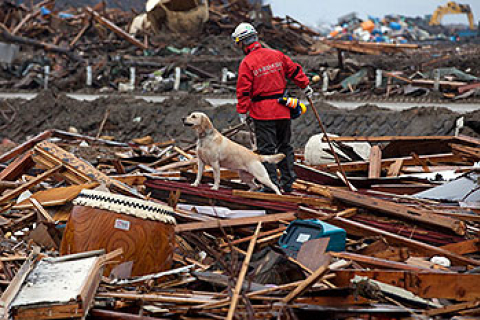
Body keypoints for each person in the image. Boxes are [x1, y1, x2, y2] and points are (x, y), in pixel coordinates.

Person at [232, 22, 313, 193]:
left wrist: (242, 111)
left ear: (242, 42)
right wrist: (305, 86)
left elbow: (243, 91)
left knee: (266, 150)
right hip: (282, 110)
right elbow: (294, 71)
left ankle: (271, 186)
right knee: (285, 146)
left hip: (262, 113)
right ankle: (288, 183)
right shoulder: (277, 55)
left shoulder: (247, 63)